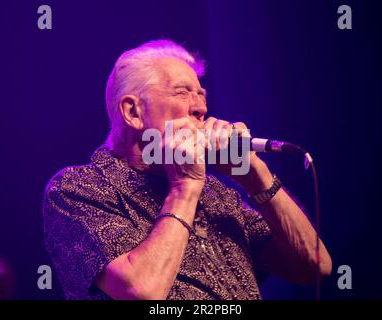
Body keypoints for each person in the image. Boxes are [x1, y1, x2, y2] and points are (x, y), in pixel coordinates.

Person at [43, 39, 332, 300]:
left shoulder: (216, 194)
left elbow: (316, 266)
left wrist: (257, 177)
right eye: (182, 93)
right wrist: (184, 189)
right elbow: (140, 292)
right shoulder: (78, 188)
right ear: (133, 112)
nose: (200, 109)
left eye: (202, 95)